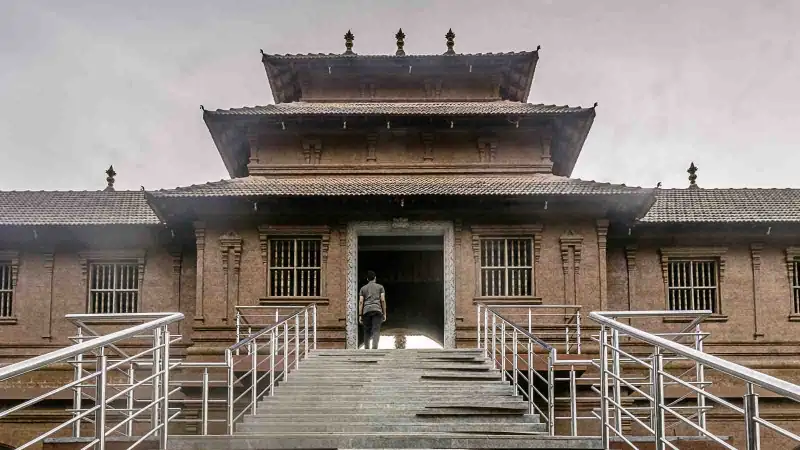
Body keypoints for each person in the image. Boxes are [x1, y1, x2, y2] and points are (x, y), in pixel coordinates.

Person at [359, 270, 386, 350]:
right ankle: (374, 348)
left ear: (367, 279)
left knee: (366, 331)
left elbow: (361, 302)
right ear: (375, 278)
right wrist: (384, 313)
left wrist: (360, 315)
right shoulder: (380, 287)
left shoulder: (363, 288)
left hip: (366, 311)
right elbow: (383, 300)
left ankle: (367, 348)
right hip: (377, 310)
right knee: (376, 330)